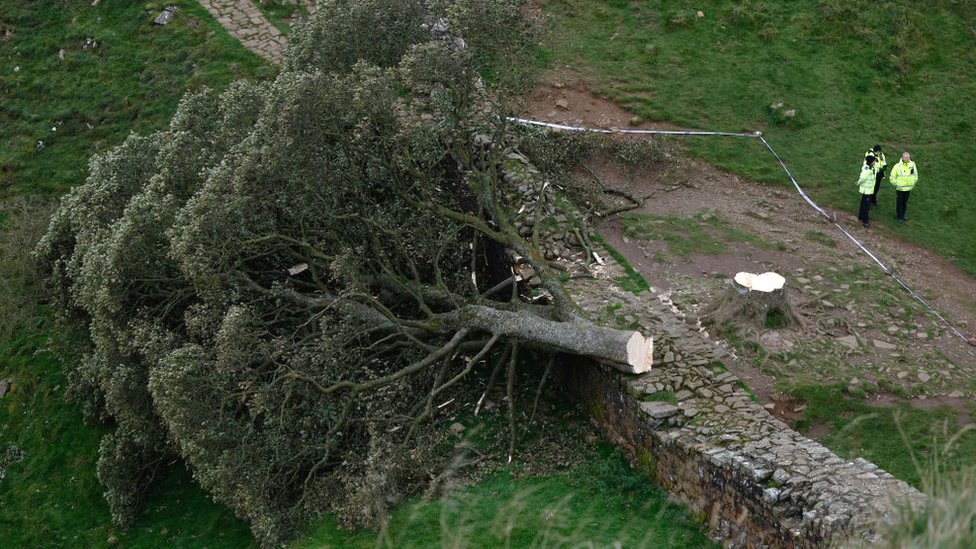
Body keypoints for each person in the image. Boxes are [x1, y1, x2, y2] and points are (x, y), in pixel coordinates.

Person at [888, 151, 918, 223]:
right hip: (900, 188)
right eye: (905, 157)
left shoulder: (912, 164)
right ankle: (899, 217)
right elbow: (892, 176)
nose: (907, 159)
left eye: (908, 157)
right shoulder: (897, 166)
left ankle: (903, 215)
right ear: (902, 157)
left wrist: (913, 182)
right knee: (899, 202)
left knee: (904, 202)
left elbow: (915, 175)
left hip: (908, 188)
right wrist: (896, 184)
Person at [857, 154, 877, 228]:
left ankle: (860, 216)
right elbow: (863, 178)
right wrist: (858, 183)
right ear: (871, 162)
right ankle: (865, 221)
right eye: (874, 161)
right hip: (867, 190)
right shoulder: (868, 170)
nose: (875, 162)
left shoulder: (869, 168)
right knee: (866, 206)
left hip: (866, 190)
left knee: (863, 203)